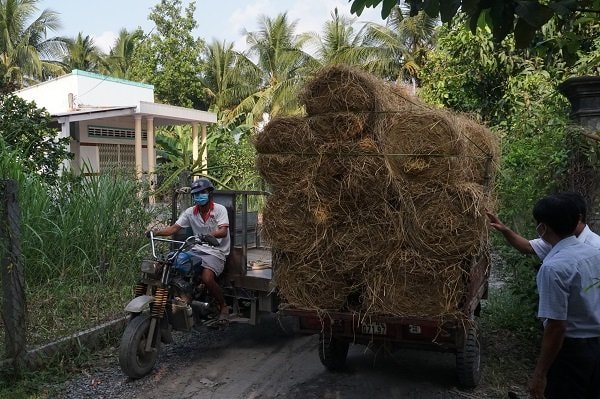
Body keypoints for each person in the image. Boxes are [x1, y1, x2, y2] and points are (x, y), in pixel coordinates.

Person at [527, 194, 600, 399]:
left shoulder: (554, 267)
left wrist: (540, 374)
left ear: (543, 227)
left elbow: (556, 326)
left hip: (572, 352)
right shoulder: (594, 254)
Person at [149, 177, 231, 324]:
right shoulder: (190, 212)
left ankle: (223, 306)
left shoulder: (219, 209)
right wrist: (155, 232)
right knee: (166, 263)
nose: (199, 196)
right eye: (196, 193)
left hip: (216, 251)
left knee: (207, 278)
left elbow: (223, 231)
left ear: (209, 193)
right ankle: (178, 296)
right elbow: (174, 228)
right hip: (197, 248)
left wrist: (208, 235)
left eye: (202, 192)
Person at [486, 191, 600, 259]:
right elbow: (528, 247)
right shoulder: (558, 240)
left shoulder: (595, 247)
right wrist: (505, 230)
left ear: (578, 218)